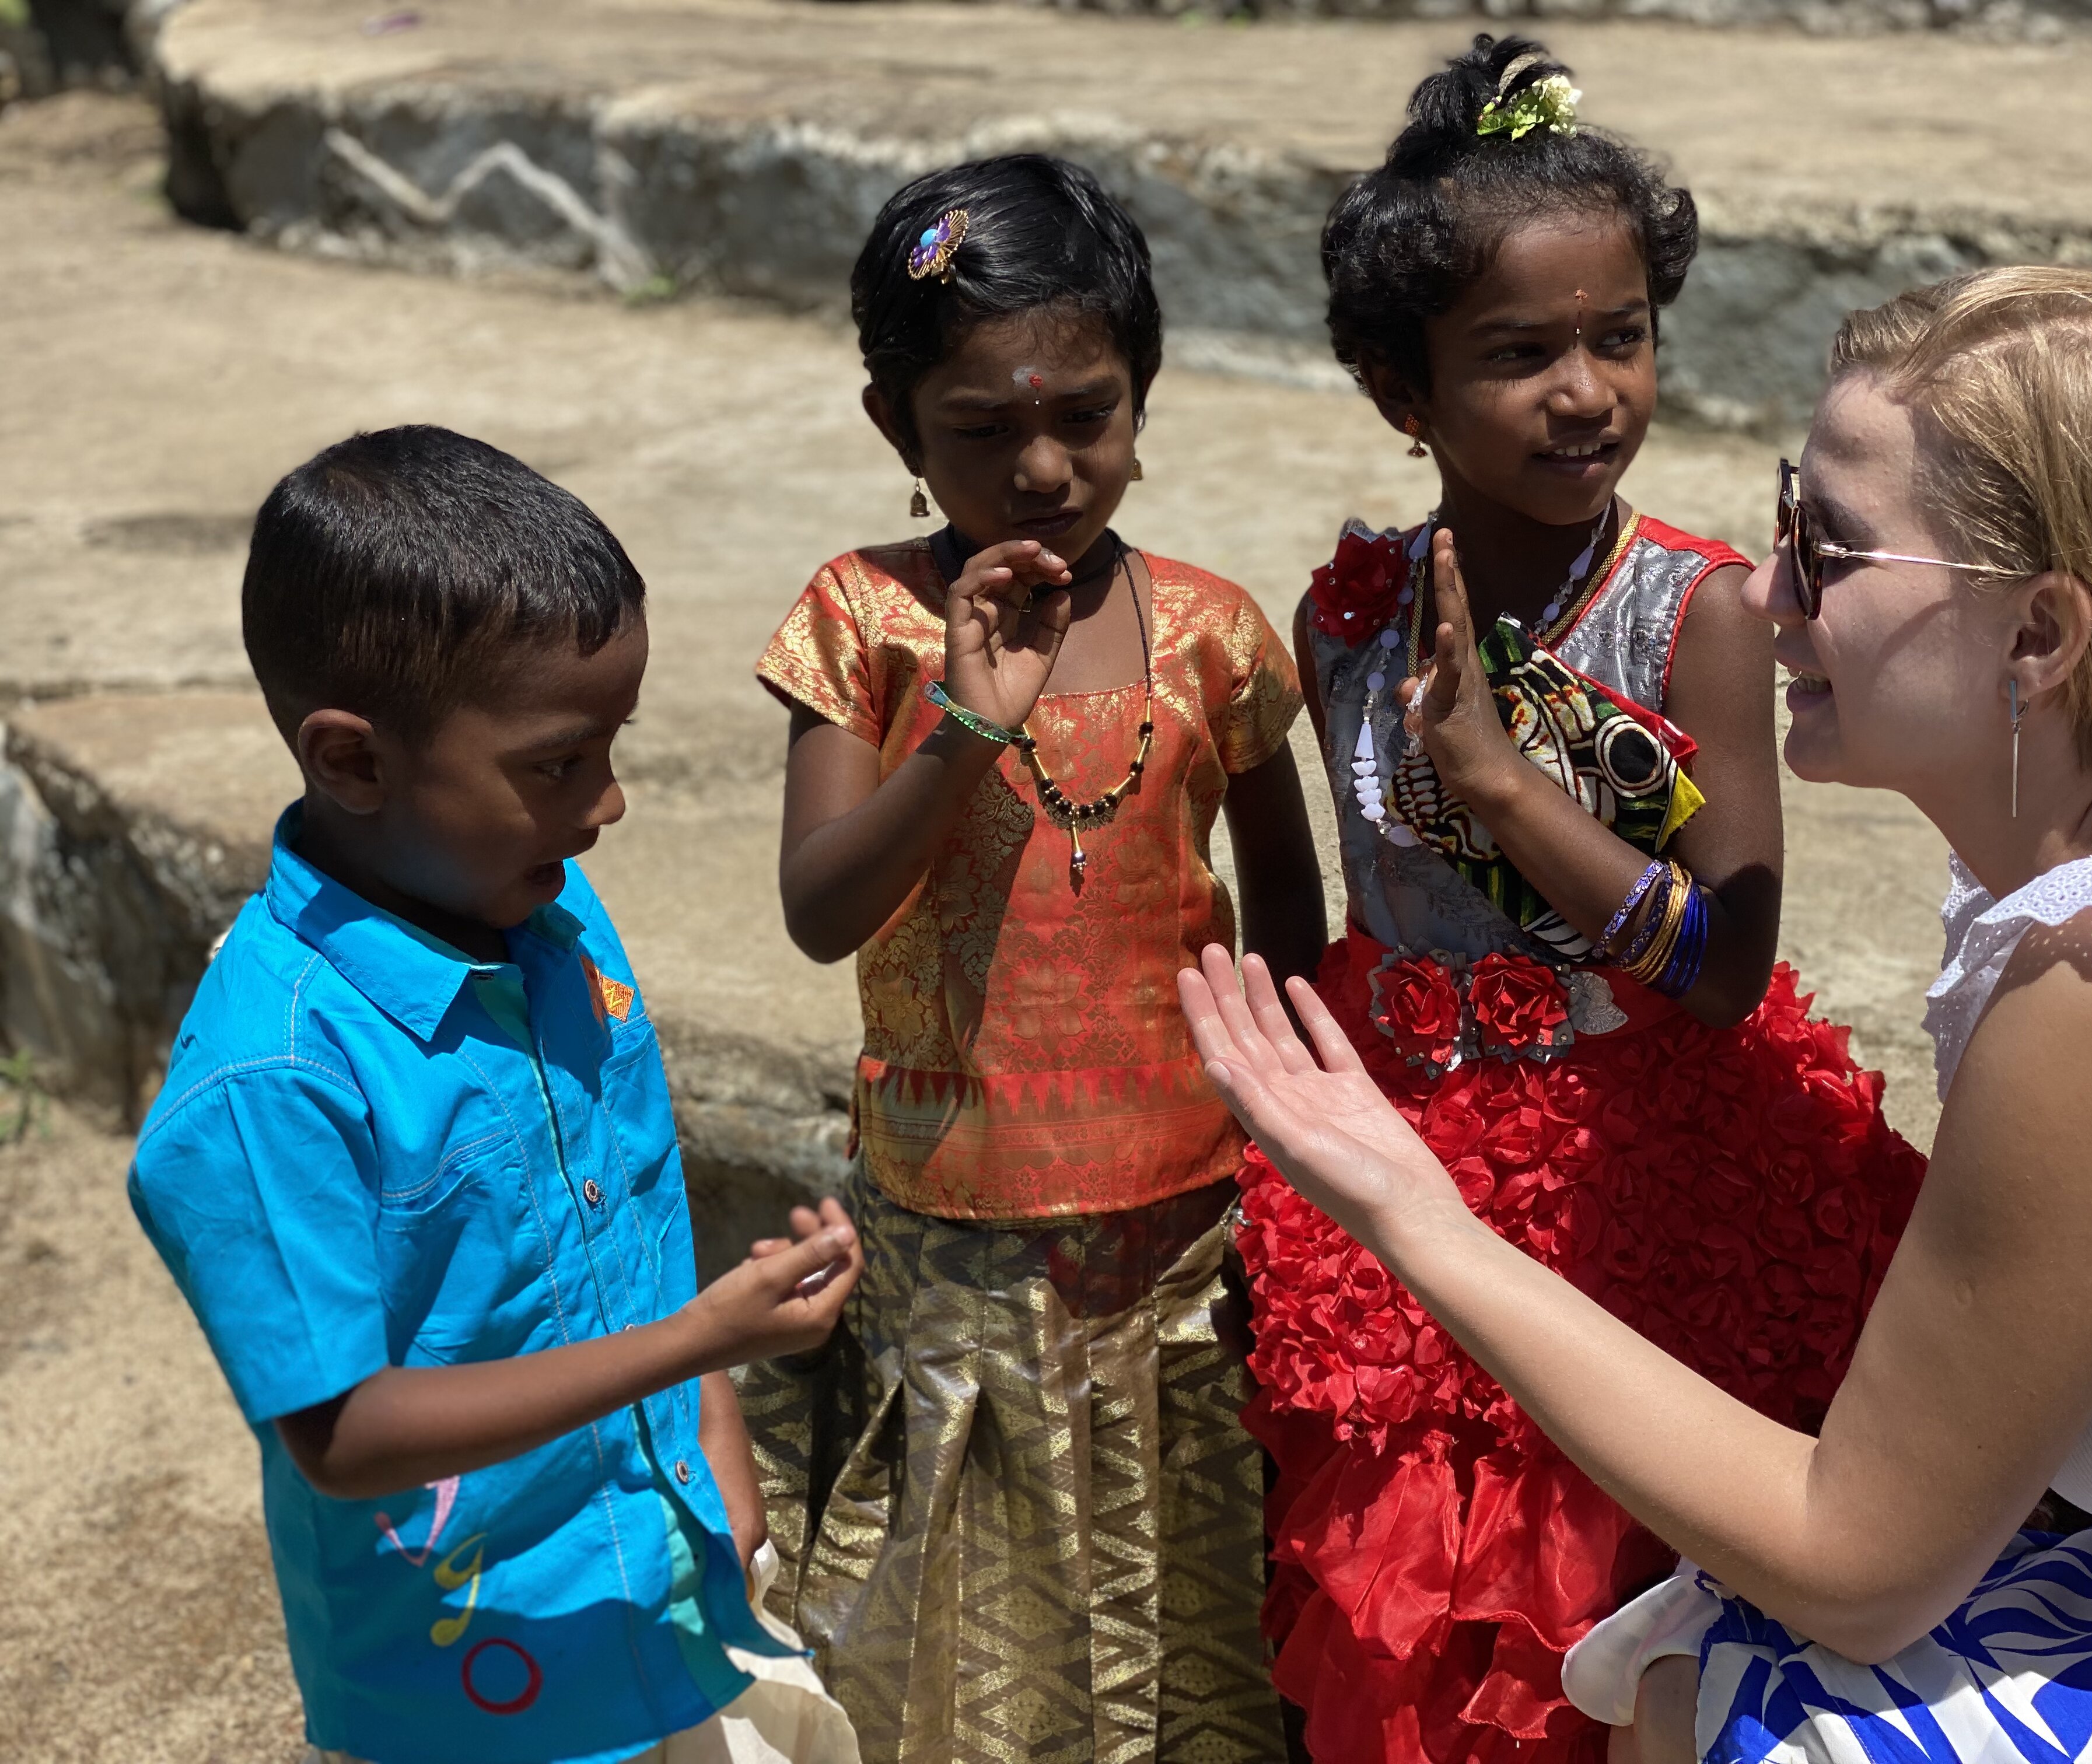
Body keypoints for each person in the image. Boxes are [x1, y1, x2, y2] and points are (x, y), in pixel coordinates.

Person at [1183, 261, 2092, 1764]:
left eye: (1833, 552)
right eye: (1788, 521)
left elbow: (1854, 1570)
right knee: (1693, 1645)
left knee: (1743, 1681)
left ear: (2042, 636)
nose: (1765, 587)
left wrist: (1413, 1210)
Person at [1240, 34, 1927, 1760]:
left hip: (1653, 1168)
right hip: (1410, 1154)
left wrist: (1497, 782)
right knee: (1418, 1604)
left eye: (1619, 338)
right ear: (1403, 392)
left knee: (1619, 1593)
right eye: (1519, 354)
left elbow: (1721, 961)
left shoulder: (1693, 612)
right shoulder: (1347, 618)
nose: (1586, 392)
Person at [127, 426, 862, 1764]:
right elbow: (347, 1434)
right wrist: (704, 1347)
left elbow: (628, 1201)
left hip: (669, 1590)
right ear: (353, 761)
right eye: (558, 764)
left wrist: (718, 1454)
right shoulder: (272, 1077)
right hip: (478, 1690)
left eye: (611, 747)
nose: (612, 802)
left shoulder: (553, 918)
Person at [740, 154, 1325, 1762]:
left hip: (1186, 1223)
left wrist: (1287, 1133)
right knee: (969, 1625)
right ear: (897, 434)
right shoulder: (861, 625)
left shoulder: (1212, 633)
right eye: (981, 433)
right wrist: (960, 730)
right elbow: (819, 909)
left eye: (1088, 413)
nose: (1046, 467)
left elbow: (1288, 901)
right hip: (959, 1229)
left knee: (1192, 1601)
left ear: (1143, 397)